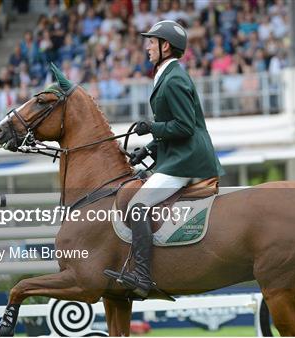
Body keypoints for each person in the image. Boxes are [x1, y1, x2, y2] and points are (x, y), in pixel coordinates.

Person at [106, 20, 224, 297]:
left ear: (165, 46)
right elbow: (175, 128)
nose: (147, 47)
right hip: (177, 156)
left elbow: (184, 127)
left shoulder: (174, 79)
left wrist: (152, 127)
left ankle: (143, 277)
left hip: (188, 161)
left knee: (137, 206)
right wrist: (149, 149)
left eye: (151, 42)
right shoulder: (166, 76)